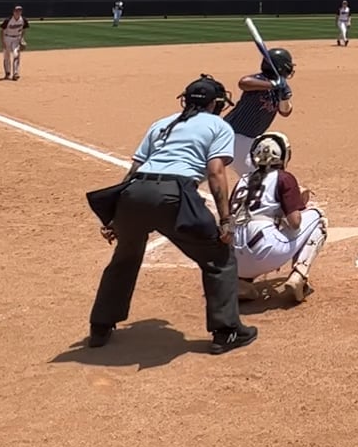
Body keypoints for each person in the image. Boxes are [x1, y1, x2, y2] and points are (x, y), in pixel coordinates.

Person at [88, 74, 259, 354]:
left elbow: (134, 171)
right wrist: (226, 220)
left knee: (125, 258)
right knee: (219, 257)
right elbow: (216, 172)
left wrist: (115, 216)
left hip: (134, 194)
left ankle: (100, 326)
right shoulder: (219, 125)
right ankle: (226, 332)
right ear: (215, 103)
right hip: (174, 195)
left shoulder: (161, 123)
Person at [231, 131, 327, 304]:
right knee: (318, 216)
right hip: (265, 250)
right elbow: (295, 223)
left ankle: (241, 282)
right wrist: (297, 202)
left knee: (246, 227)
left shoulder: (242, 181)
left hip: (233, 259)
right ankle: (299, 275)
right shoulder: (283, 178)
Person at [227, 48, 295, 174]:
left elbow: (285, 112)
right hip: (235, 134)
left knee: (256, 174)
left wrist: (284, 98)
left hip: (249, 138)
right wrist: (273, 85)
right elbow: (243, 83)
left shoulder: (281, 86)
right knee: (256, 177)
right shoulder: (260, 80)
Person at [0, 5, 29, 81]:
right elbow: (1, 31)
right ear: (13, 12)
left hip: (16, 39)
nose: (18, 12)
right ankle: (7, 73)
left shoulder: (23, 20)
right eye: (17, 11)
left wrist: (22, 39)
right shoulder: (8, 20)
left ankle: (15, 73)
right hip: (7, 38)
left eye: (20, 11)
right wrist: (2, 42)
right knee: (6, 56)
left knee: (16, 55)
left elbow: (24, 29)